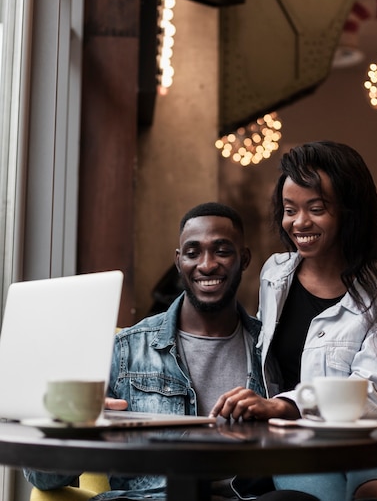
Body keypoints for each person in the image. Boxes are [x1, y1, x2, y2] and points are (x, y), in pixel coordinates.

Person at [24, 202, 318, 501]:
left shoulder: (266, 348)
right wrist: (75, 426)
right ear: (179, 261)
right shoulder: (126, 349)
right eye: (193, 253)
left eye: (222, 251)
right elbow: (43, 479)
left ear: (244, 258)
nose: (206, 265)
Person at [210, 142, 377, 501]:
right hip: (299, 446)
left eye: (316, 209)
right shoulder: (275, 274)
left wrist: (286, 406)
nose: (299, 222)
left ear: (350, 212)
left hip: (370, 445)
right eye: (290, 210)